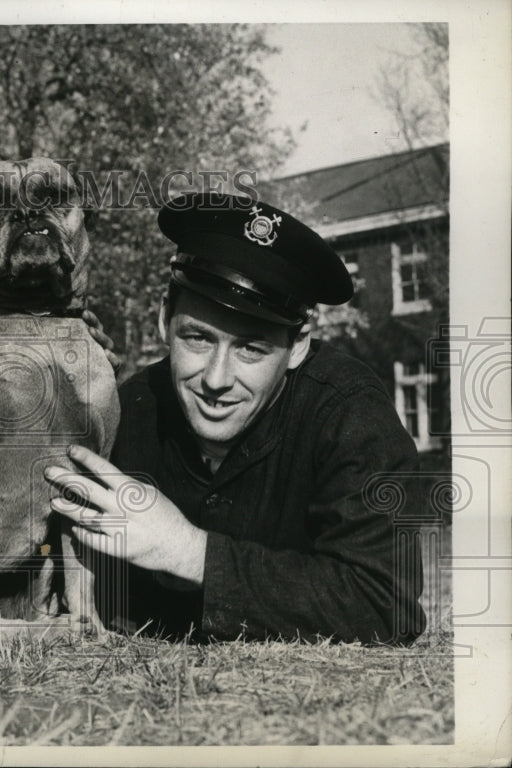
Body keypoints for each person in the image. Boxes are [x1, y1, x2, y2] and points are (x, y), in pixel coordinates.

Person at [45, 193, 426, 645]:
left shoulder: (349, 414)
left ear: (298, 344)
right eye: (198, 338)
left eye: (251, 348)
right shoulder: (127, 410)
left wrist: (190, 552)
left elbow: (386, 604)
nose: (216, 379)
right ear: (165, 319)